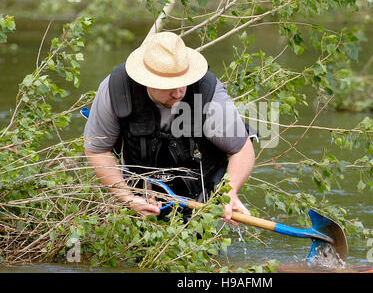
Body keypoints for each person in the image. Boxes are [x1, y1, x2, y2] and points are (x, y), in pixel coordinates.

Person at [83, 31, 254, 223]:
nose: (179, 92)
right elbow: (97, 151)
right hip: (141, 186)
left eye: (184, 82)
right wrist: (128, 199)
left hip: (201, 187)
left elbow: (241, 150)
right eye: (169, 85)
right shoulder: (114, 91)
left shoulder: (208, 93)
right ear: (145, 80)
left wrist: (228, 193)